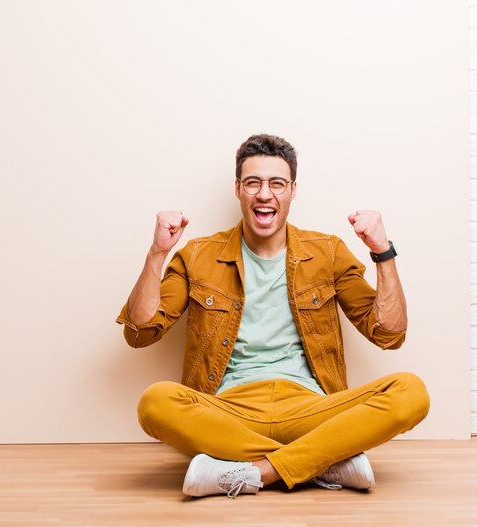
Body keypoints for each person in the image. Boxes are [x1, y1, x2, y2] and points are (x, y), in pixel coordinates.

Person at [116, 134, 430, 498]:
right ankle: (322, 463)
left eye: (277, 183)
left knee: (411, 392)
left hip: (311, 409)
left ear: (293, 190)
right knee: (155, 402)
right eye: (253, 183)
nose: (265, 194)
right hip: (228, 410)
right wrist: (157, 254)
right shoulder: (198, 255)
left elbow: (388, 334)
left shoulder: (328, 252)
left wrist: (382, 252)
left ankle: (253, 473)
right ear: (238, 189)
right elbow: (139, 333)